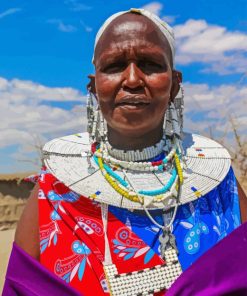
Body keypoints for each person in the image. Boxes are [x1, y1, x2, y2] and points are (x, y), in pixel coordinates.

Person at [3, 8, 247, 296]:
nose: (132, 79)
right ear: (94, 87)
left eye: (150, 64)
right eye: (115, 66)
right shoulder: (53, 194)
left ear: (175, 84)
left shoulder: (219, 185)